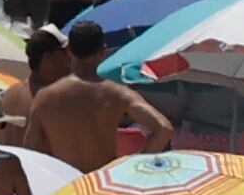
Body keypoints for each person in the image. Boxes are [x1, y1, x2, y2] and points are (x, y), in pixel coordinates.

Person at [20, 21, 173, 172]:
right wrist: (135, 168)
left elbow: (30, 151)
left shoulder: (46, 97)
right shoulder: (118, 94)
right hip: (101, 183)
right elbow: (163, 128)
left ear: (69, 49)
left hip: (64, 186)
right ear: (103, 51)